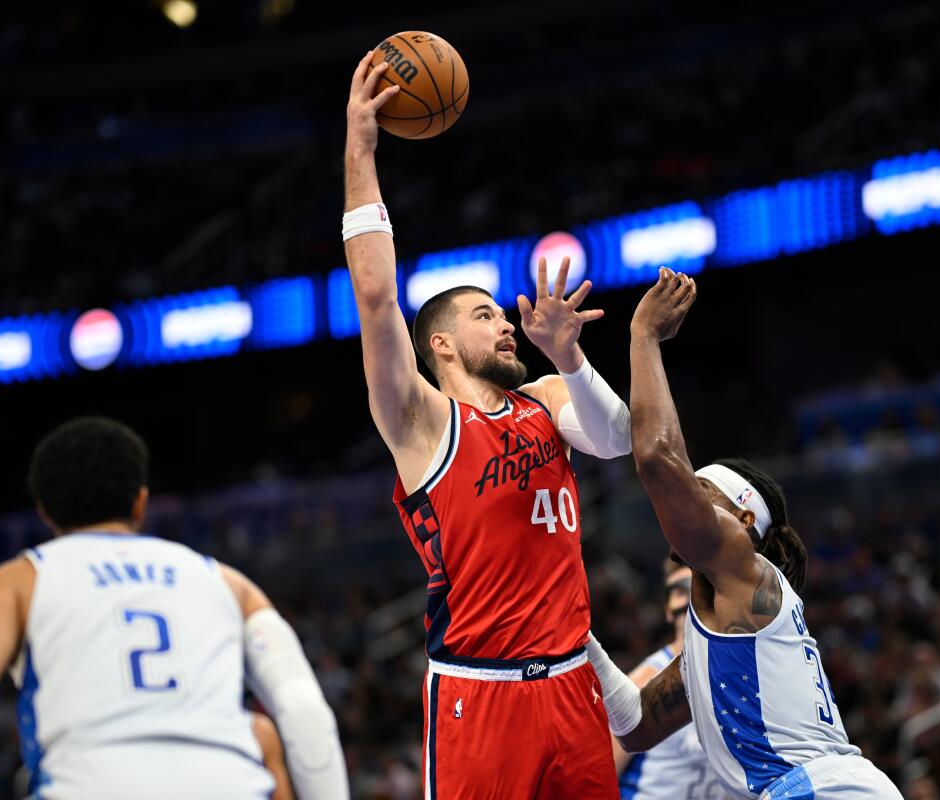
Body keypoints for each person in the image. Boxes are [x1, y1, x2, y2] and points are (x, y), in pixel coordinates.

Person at [344, 53, 631, 798]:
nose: (505, 326)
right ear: (439, 344)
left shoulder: (544, 399)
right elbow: (377, 298)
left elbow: (618, 437)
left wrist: (569, 358)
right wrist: (361, 148)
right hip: (481, 692)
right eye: (484, 317)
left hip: (572, 687)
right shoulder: (420, 422)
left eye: (504, 316)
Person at [0, 416, 348, 800]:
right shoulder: (229, 583)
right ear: (140, 502)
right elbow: (304, 711)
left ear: (45, 511)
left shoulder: (16, 582)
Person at [586, 270, 902, 799]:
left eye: (701, 491)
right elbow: (636, 722)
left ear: (745, 522)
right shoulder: (720, 634)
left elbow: (659, 460)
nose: (685, 498)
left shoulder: (746, 570)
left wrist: (643, 337)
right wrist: (571, 631)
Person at [614, 561, 728, 800]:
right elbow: (601, 774)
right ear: (667, 609)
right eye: (681, 591)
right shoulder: (641, 682)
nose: (692, 599)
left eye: (700, 588)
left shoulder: (737, 677)